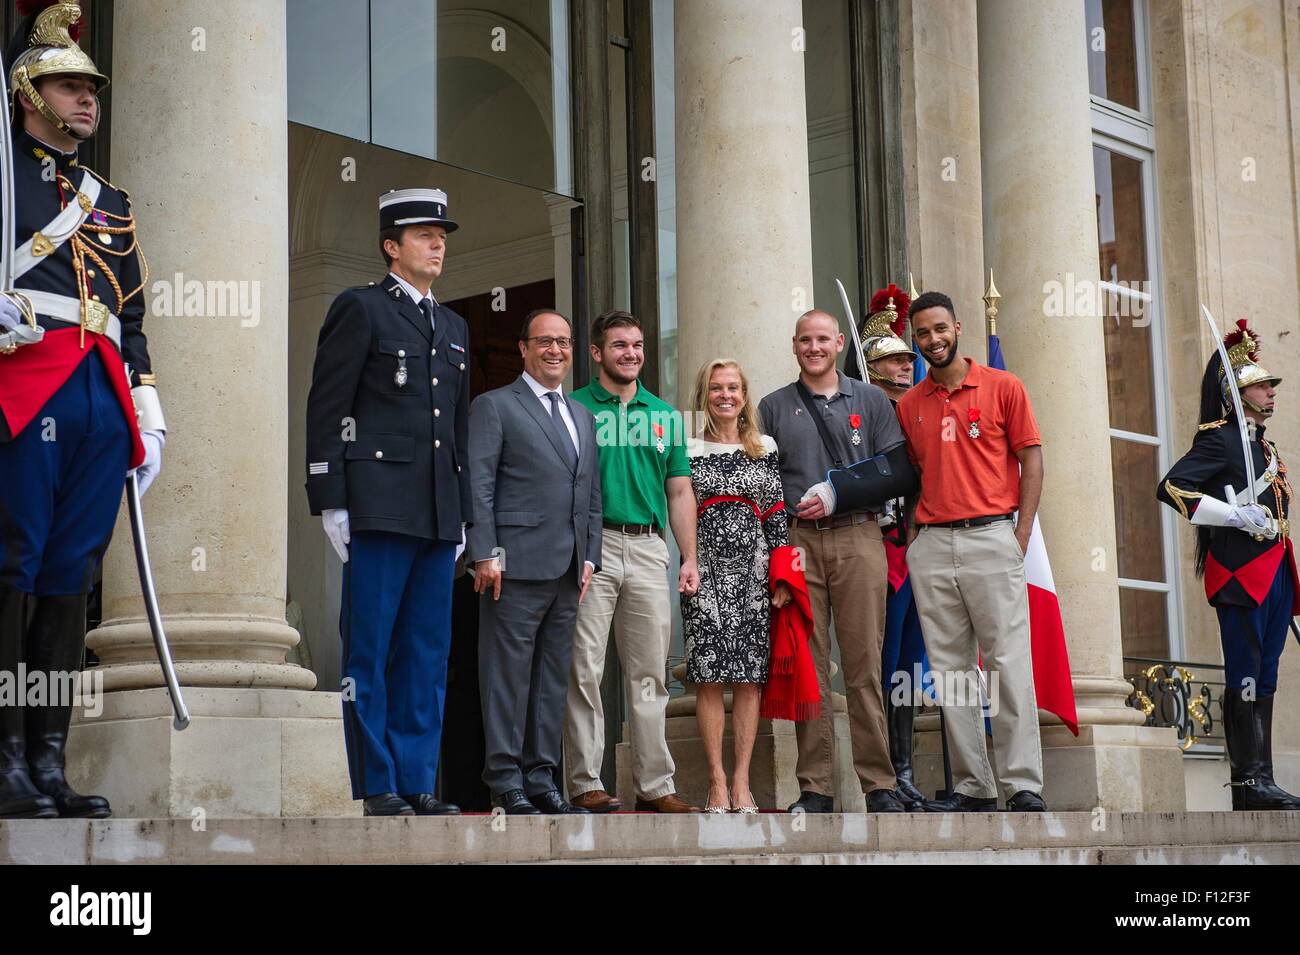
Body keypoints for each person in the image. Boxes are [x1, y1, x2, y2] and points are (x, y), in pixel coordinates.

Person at [0, 0, 164, 820]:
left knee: (70, 579)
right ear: (28, 90)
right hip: (24, 384)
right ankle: (4, 759)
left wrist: (148, 398)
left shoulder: (109, 196)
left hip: (100, 393)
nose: (87, 99)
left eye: (91, 87)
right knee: (11, 568)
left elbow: (130, 309)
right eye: (69, 85)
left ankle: (47, 759)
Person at [305, 187, 469, 817]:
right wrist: (330, 496)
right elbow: (328, 406)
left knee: (427, 654)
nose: (438, 244)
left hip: (434, 511)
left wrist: (462, 515)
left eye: (442, 235)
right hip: (375, 504)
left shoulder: (452, 325)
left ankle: (418, 779)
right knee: (369, 649)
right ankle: (378, 783)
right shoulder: (361, 308)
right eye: (425, 234)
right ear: (391, 246)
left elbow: (451, 430)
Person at [896, 290, 1046, 812]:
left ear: (958, 327)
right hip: (933, 545)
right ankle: (973, 787)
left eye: (939, 329)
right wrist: (916, 537)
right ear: (914, 339)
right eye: (922, 334)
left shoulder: (1004, 387)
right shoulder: (911, 404)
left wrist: (1020, 534)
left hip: (992, 537)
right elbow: (912, 476)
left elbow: (1033, 460)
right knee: (951, 670)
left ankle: (1023, 783)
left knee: (1007, 662)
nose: (932, 340)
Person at [759, 310, 911, 813]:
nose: (814, 347)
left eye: (823, 339)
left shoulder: (869, 399)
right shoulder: (773, 406)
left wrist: (840, 491)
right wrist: (776, 556)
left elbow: (898, 471)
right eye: (805, 340)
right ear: (794, 345)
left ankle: (879, 784)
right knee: (810, 668)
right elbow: (763, 483)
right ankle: (816, 787)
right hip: (798, 543)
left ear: (839, 341)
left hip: (859, 536)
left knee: (864, 665)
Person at [1157, 320, 1297, 810]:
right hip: (1240, 573)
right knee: (1246, 668)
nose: (1269, 391)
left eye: (1268, 384)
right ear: (1236, 392)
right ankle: (1247, 782)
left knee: (1269, 670)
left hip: (1276, 568)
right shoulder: (1219, 440)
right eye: (1259, 384)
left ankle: (1265, 777)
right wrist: (1233, 514)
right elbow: (1172, 487)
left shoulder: (1265, 448)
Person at [564, 310, 701, 814]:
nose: (632, 354)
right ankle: (585, 783)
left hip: (648, 548)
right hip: (591, 549)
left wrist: (689, 556)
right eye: (619, 345)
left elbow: (680, 489)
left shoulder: (664, 414)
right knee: (584, 668)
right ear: (597, 353)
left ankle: (655, 784)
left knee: (650, 672)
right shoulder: (574, 407)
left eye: (638, 345)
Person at [468, 309, 602, 815]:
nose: (555, 351)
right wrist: (484, 552)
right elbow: (478, 484)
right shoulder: (495, 406)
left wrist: (591, 555)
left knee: (551, 679)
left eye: (564, 342)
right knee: (507, 676)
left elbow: (589, 493)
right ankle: (505, 780)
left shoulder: (582, 415)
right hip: (512, 565)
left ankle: (542, 776)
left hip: (570, 569)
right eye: (545, 341)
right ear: (523, 348)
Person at [684, 359, 803, 812]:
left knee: (751, 680)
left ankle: (741, 782)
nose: (725, 395)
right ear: (705, 394)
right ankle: (715, 781)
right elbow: (680, 506)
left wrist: (784, 576)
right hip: (705, 570)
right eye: (717, 388)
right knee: (709, 677)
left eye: (733, 387)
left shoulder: (764, 447)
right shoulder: (687, 447)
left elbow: (776, 514)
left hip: (755, 574)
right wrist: (688, 560)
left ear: (744, 394)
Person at [859, 285, 931, 810]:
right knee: (881, 666)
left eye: (909, 358)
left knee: (909, 667)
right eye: (896, 359)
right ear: (871, 365)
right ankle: (882, 773)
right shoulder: (863, 413)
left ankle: (904, 770)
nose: (907, 365)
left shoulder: (917, 412)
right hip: (879, 550)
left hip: (921, 551)